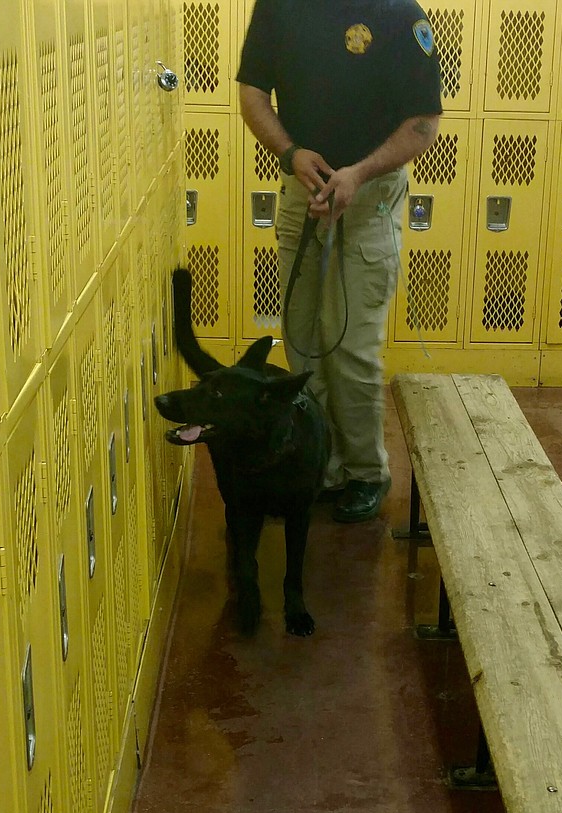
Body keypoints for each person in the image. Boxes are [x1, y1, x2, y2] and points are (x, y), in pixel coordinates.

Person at [236, 1, 443, 522]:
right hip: (301, 193)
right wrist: (288, 153)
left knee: (350, 348)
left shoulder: (398, 13)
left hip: (367, 199)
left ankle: (364, 472)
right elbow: (253, 93)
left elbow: (422, 123)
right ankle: (320, 465)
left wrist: (358, 173)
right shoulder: (279, 7)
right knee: (302, 340)